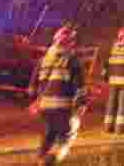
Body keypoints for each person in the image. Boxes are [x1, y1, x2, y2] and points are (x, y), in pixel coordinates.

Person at [29, 25, 88, 166]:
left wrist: (34, 102)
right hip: (63, 107)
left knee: (49, 132)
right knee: (66, 136)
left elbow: (32, 86)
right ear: (70, 43)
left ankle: (40, 159)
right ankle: (52, 160)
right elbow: (80, 87)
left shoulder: (43, 59)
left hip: (44, 107)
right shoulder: (73, 61)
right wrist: (81, 104)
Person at [101, 28, 124, 133]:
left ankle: (108, 126)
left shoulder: (112, 46)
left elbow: (106, 63)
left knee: (111, 103)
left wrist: (106, 77)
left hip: (113, 80)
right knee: (122, 104)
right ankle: (119, 127)